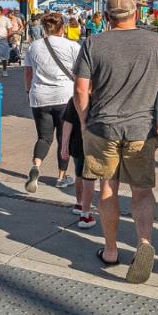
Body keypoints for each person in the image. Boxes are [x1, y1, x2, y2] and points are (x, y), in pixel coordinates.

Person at [74, 0, 158, 285]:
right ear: (136, 14)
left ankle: (110, 250)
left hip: (102, 128)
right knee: (142, 191)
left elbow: (81, 90)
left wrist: (84, 122)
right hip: (141, 129)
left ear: (107, 17)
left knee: (108, 189)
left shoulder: (93, 42)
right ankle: (144, 243)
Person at [24, 13, 82, 192]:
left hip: (39, 97)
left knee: (44, 137)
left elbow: (28, 74)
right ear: (62, 28)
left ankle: (36, 166)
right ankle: (61, 177)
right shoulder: (73, 46)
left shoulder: (33, 47)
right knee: (63, 139)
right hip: (65, 97)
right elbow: (81, 73)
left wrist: (29, 91)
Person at [59, 96, 96, 228]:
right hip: (96, 143)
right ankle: (86, 213)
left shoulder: (75, 99)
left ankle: (79, 203)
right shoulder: (102, 97)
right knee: (90, 178)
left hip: (77, 143)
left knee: (79, 174)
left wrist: (64, 144)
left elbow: (68, 123)